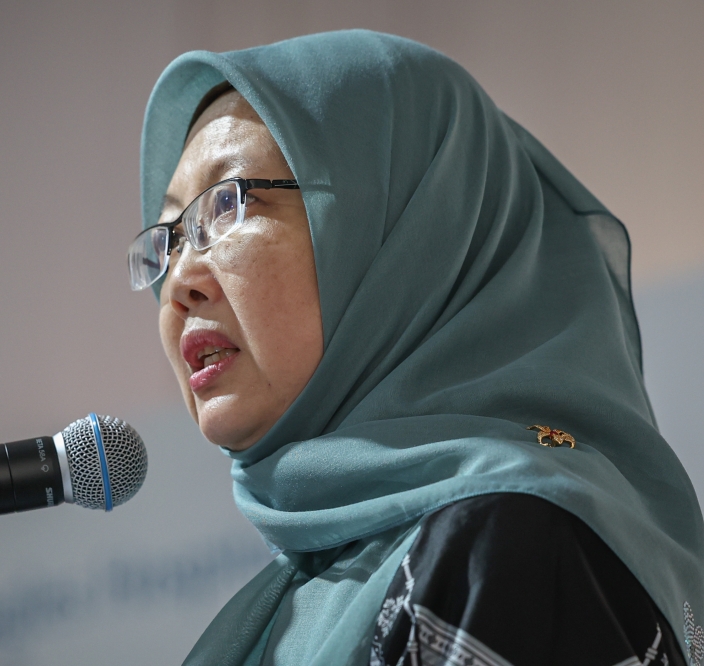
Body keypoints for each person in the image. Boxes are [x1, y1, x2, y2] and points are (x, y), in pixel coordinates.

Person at [128, 30, 704, 666]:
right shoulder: (298, 598)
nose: (178, 282)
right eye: (169, 238)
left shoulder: (503, 552)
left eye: (227, 204)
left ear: (407, 231)